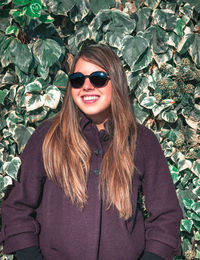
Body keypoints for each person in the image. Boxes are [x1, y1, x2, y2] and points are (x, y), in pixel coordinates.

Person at [0, 44, 182, 260]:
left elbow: (166, 215)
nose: (86, 86)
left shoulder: (142, 141)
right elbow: (17, 206)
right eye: (77, 79)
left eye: (98, 78)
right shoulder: (47, 136)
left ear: (117, 82)